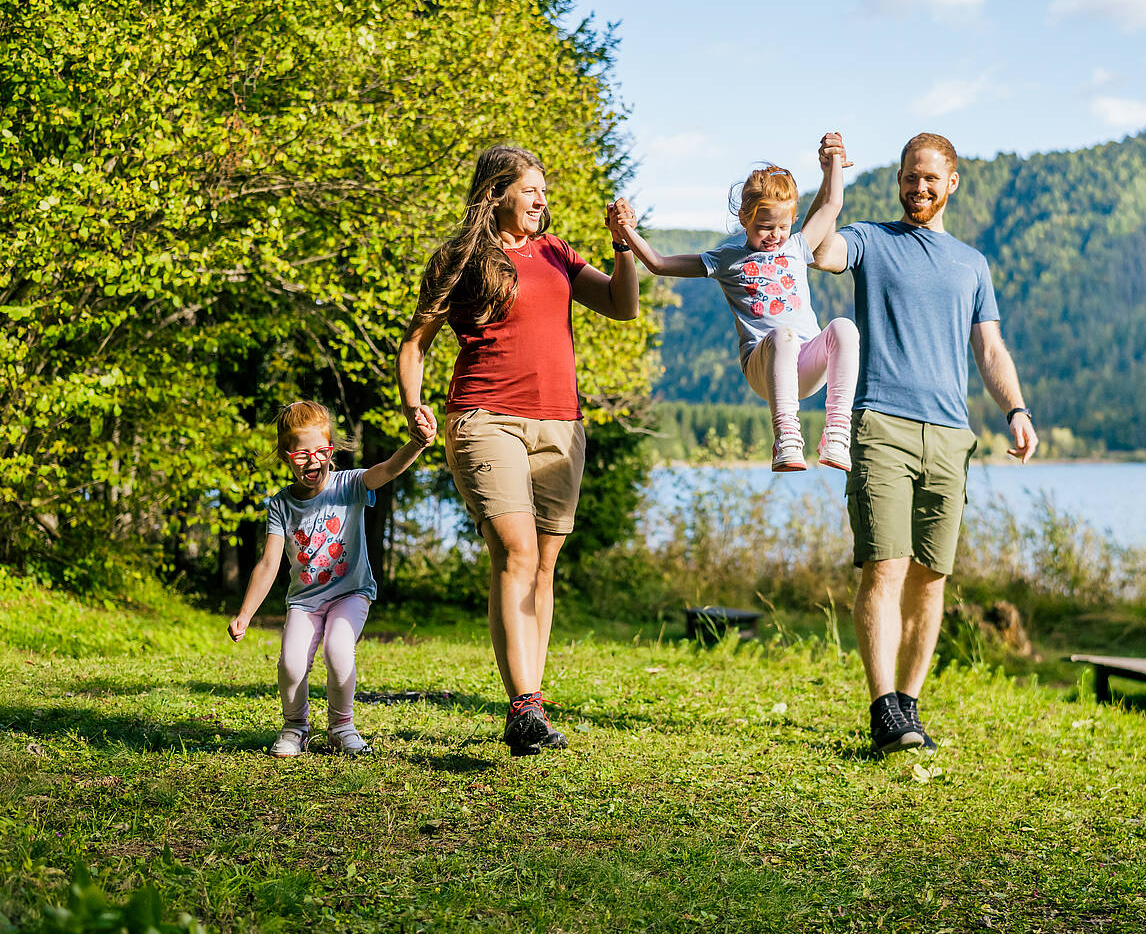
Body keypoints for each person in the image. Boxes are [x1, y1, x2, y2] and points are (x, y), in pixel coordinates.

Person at [396, 144, 639, 757]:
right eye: (531, 188)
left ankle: (532, 698)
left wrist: (623, 245)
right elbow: (416, 343)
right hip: (484, 417)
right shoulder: (460, 259)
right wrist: (413, 403)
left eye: (545, 190)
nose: (541, 200)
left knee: (545, 564)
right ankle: (524, 706)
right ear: (496, 192)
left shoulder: (556, 253)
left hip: (560, 423)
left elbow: (622, 306)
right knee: (517, 550)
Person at [810, 132, 1039, 754]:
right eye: (910, 176)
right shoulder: (871, 240)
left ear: (953, 182)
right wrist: (832, 177)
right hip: (881, 422)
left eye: (930, 178)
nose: (918, 187)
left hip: (950, 435)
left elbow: (989, 348)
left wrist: (1015, 408)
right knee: (885, 565)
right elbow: (815, 250)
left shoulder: (973, 264)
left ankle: (908, 706)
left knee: (931, 576)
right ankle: (883, 705)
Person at [609, 132, 858, 471]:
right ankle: (786, 438)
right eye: (765, 227)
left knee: (844, 328)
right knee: (782, 336)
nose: (775, 236)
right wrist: (626, 232)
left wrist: (833, 165)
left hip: (806, 366)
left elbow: (831, 205)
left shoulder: (798, 248)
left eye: (783, 227)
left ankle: (838, 434)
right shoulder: (727, 259)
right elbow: (659, 264)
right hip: (763, 365)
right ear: (744, 218)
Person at [229, 400, 436, 757]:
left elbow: (386, 470)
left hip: (350, 593)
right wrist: (246, 613)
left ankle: (341, 727)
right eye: (302, 454)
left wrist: (416, 443)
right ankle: (295, 727)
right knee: (291, 664)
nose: (313, 460)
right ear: (286, 456)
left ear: (331, 449)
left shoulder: (350, 485)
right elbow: (268, 564)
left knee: (338, 649)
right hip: (305, 601)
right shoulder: (281, 505)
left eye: (321, 450)